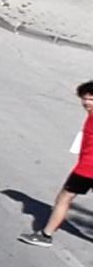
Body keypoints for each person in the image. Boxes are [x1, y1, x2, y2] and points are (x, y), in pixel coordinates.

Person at [28, 82, 93, 244]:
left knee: (63, 199)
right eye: (84, 99)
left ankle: (45, 235)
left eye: (91, 99)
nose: (86, 103)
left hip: (86, 169)